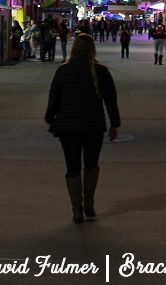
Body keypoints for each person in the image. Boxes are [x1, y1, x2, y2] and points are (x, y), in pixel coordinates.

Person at [44, 34, 120, 223]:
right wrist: (115, 124)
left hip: (68, 127)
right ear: (93, 49)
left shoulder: (63, 71)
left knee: (73, 167)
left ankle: (76, 210)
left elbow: (53, 99)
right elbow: (111, 101)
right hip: (93, 126)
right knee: (92, 164)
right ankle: (89, 204)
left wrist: (50, 118)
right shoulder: (101, 72)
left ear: (74, 48)